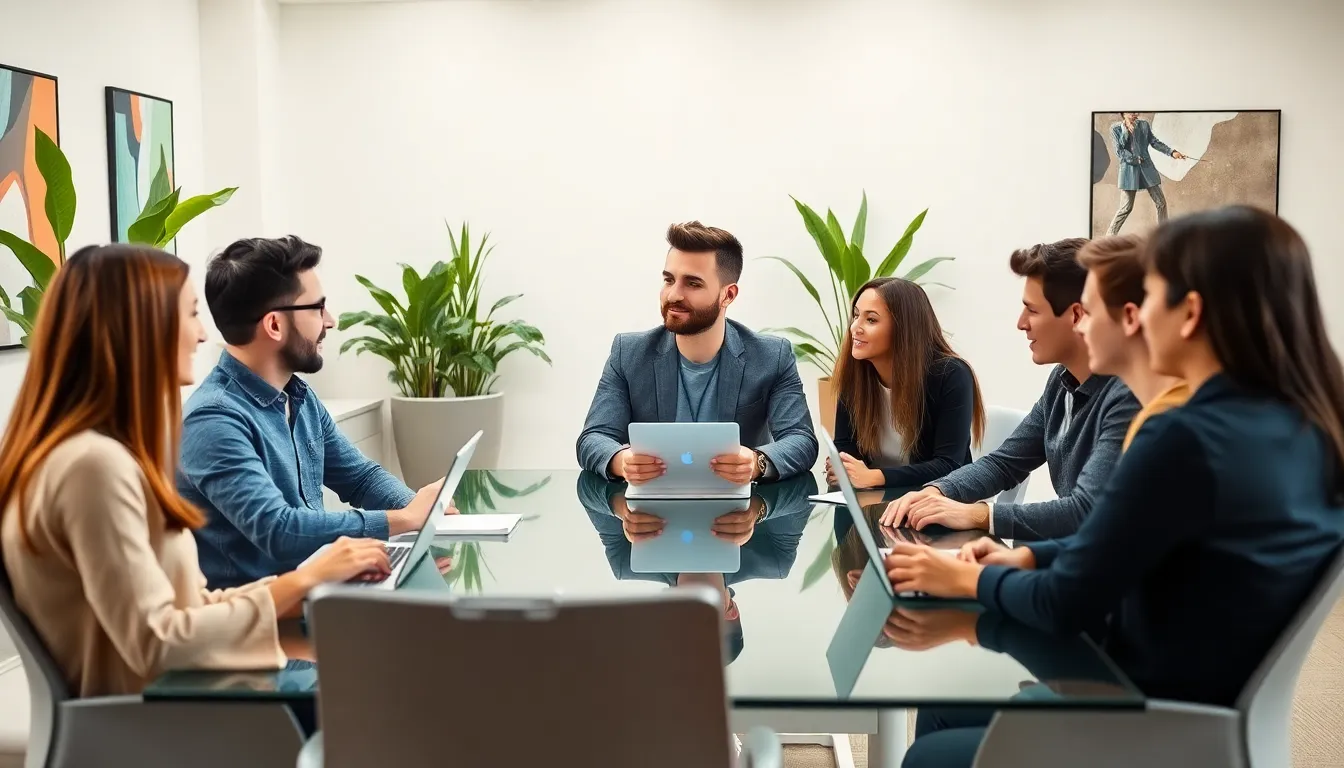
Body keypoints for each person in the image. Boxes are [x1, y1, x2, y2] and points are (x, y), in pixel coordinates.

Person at [883, 207, 1344, 767]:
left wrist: (966, 578)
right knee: (944, 714)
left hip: (1145, 712)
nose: (1135, 318)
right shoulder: (1299, 426)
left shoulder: (1184, 436)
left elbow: (1065, 605)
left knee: (931, 756)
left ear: (1190, 313)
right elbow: (1134, 540)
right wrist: (1027, 557)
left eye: (1147, 298)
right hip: (1199, 696)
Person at [0, 244, 390, 701]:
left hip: (183, 697)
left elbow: (186, 611)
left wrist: (312, 581)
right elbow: (157, 643)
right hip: (165, 718)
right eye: (189, 314)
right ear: (140, 330)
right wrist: (304, 580)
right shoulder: (93, 466)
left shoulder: (103, 456)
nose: (204, 335)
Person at [178, 236, 445, 589]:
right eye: (318, 309)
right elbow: (280, 530)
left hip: (320, 592)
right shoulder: (213, 419)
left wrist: (421, 508)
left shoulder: (297, 395)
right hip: (264, 621)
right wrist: (404, 518)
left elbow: (360, 478)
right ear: (274, 325)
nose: (330, 321)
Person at [882, 239, 1139, 540]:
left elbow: (1085, 512)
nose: (1021, 324)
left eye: (1032, 310)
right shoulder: (1061, 381)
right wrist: (937, 492)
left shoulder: (1127, 396)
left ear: (1076, 315)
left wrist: (979, 515)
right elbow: (1004, 463)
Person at [576, 221, 818, 484]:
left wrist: (757, 462)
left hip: (740, 513)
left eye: (692, 283)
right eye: (669, 280)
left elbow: (801, 440)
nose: (674, 295)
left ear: (728, 295)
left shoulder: (771, 357)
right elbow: (593, 437)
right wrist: (620, 460)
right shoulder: (629, 353)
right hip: (651, 513)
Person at [828, 277, 985, 489]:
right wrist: (843, 467)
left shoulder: (951, 375)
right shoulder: (855, 377)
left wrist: (875, 477)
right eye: (856, 316)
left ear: (904, 328)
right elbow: (846, 449)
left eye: (871, 320)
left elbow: (949, 465)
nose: (855, 327)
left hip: (939, 505)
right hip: (876, 505)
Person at [1075, 234, 1190, 450]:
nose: (1078, 327)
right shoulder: (1166, 412)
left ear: (1130, 317)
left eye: (1088, 313)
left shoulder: (1164, 428)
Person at [1106, 112, 1188, 235]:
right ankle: (1110, 236)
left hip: (1147, 169)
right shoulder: (1115, 128)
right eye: (1131, 112)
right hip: (1129, 171)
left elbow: (1154, 142)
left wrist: (1172, 152)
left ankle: (1163, 234)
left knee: (1161, 202)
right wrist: (1125, 130)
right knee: (1126, 208)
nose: (1135, 114)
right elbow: (1120, 151)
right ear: (1123, 113)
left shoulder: (1144, 125)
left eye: (1136, 112)